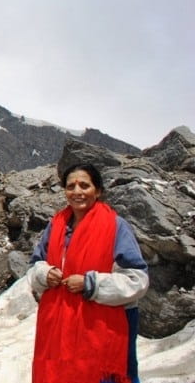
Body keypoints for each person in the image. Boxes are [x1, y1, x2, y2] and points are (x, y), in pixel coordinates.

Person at [28, 163, 149, 383]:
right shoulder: (56, 226)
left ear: (98, 191)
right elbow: (36, 263)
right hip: (60, 325)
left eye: (84, 185)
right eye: (71, 186)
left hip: (103, 327)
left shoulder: (115, 227)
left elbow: (137, 279)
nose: (77, 192)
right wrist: (45, 274)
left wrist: (91, 284)